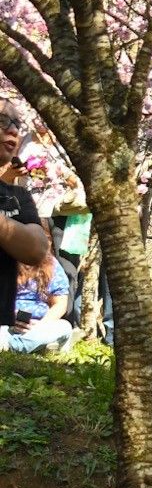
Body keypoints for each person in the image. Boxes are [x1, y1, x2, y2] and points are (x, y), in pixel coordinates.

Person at [0, 107, 50, 336]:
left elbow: (36, 249)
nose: (12, 130)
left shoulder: (16, 197)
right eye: (2, 121)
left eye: (17, 125)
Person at [9, 252, 72, 352]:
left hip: (40, 326)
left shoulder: (50, 264)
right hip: (7, 325)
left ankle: (12, 346)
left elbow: (60, 304)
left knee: (65, 326)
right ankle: (17, 346)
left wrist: (40, 326)